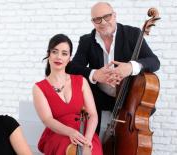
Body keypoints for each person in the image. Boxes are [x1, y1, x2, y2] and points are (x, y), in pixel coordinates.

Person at [66, 2, 160, 135]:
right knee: (93, 133)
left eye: (107, 17)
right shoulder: (86, 40)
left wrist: (130, 67)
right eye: (97, 19)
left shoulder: (132, 34)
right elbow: (72, 68)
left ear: (114, 16)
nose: (103, 22)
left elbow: (154, 61)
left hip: (129, 101)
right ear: (93, 22)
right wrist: (95, 74)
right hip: (100, 99)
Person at [32, 34, 103, 155]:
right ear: (48, 54)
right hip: (58, 132)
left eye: (64, 53)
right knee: (66, 149)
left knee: (91, 151)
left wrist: (87, 139)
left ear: (69, 58)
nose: (59, 57)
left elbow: (92, 115)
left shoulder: (81, 81)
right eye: (55, 52)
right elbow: (47, 120)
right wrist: (70, 132)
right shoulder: (39, 88)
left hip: (84, 132)